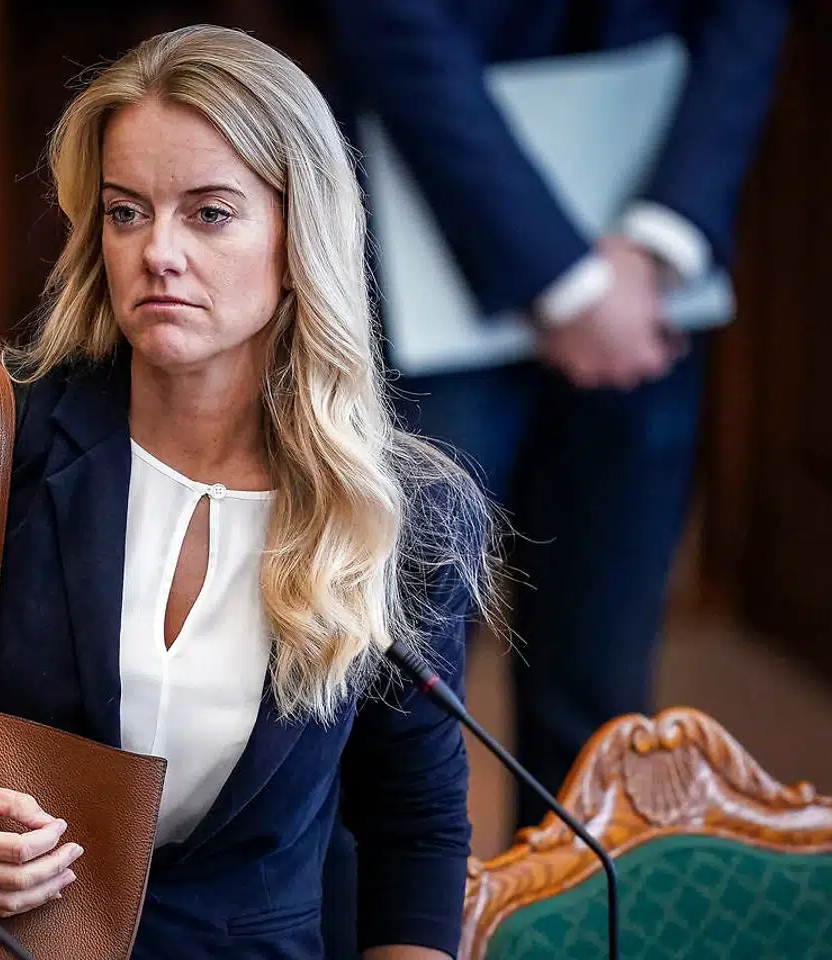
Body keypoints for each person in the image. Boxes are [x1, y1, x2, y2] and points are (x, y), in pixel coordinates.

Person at [0, 25, 495, 959]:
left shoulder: (397, 515)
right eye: (128, 211)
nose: (157, 251)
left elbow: (413, 829)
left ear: (300, 235)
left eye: (209, 213)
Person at [328, 0, 790, 831]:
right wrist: (563, 279)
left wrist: (662, 238)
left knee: (602, 699)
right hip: (425, 220)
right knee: (392, 683)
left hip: (655, 254)